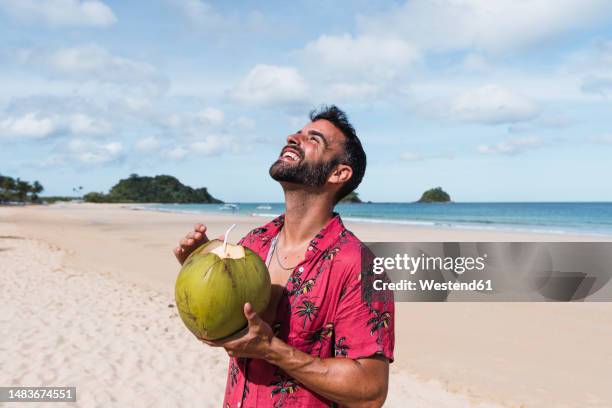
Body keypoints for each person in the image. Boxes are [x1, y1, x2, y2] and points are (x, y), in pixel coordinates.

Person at [173, 106, 394, 407]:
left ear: (338, 173)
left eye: (312, 139)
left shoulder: (360, 266)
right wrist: (199, 271)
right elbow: (224, 327)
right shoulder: (253, 245)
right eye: (297, 133)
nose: (292, 137)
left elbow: (370, 391)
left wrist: (271, 349)